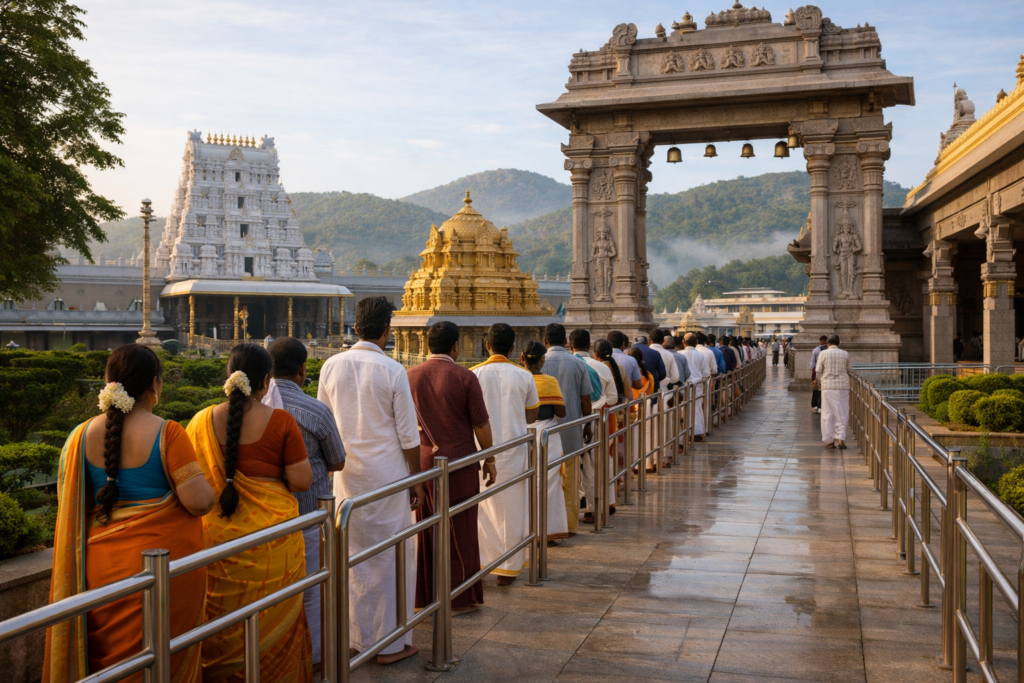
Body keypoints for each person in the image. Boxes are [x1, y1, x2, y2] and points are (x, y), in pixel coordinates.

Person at [45, 345, 215, 683]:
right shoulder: (168, 432)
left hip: (98, 572)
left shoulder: (77, 437)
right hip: (163, 572)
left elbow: (72, 512)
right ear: (156, 385)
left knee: (111, 668)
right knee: (164, 658)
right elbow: (199, 503)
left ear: (109, 382)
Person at [188, 343, 315, 682]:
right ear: (266, 382)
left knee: (220, 628)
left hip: (217, 545)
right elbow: (302, 481)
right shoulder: (281, 421)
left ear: (228, 378)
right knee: (276, 631)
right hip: (272, 545)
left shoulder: (200, 422)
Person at [317, 296, 424, 664]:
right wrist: (416, 479)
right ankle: (390, 643)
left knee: (352, 558)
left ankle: (355, 637)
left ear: (356, 326)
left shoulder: (331, 366)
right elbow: (410, 438)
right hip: (388, 478)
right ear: (386, 329)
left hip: (346, 479)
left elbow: (325, 425)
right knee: (391, 556)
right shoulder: (392, 370)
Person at [264, 337, 346, 672]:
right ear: (302, 370)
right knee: (311, 588)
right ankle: (312, 658)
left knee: (272, 591)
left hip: (263, 518)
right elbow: (338, 461)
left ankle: (271, 656)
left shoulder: (255, 411)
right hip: (308, 513)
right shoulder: (315, 410)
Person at [407, 321, 495, 615]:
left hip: (423, 464)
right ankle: (459, 598)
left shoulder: (409, 376)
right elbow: (480, 423)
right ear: (456, 346)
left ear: (426, 345)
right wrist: (490, 458)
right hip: (460, 461)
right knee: (461, 528)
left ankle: (428, 595)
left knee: (428, 528)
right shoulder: (464, 377)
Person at [471, 323, 539, 585]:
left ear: (486, 345)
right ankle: (507, 566)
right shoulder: (524, 375)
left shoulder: (473, 374)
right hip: (514, 448)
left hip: (481, 450)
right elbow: (531, 415)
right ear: (513, 348)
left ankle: (483, 561)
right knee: (512, 506)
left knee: (484, 508)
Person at [542, 323, 592, 535]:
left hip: (544, 434)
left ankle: (547, 526)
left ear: (545, 341)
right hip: (571, 431)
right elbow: (586, 399)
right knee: (571, 482)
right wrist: (588, 422)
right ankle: (570, 526)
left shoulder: (538, 364)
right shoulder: (578, 363)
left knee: (547, 481)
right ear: (566, 342)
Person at [520, 340, 569, 544]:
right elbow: (562, 412)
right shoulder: (549, 381)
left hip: (521, 433)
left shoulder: (519, 378)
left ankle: (526, 531)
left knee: (524, 482)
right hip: (547, 433)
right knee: (549, 482)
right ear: (542, 360)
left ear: (522, 358)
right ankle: (546, 531)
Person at [571, 331, 619, 523]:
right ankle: (603, 504)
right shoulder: (602, 367)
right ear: (589, 346)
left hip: (574, 421)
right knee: (601, 463)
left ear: (570, 344)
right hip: (598, 419)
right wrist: (597, 404)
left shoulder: (569, 364)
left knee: (583, 468)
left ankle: (587, 507)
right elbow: (614, 398)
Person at [816, 334, 852, 449]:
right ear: (839, 343)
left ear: (827, 344)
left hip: (827, 387)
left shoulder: (822, 353)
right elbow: (849, 370)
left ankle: (829, 441)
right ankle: (841, 439)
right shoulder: (845, 354)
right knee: (842, 413)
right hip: (842, 387)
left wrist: (817, 384)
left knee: (827, 414)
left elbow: (818, 371)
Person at [680, 333, 710, 442]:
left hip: (684, 384)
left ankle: (683, 432)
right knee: (696, 407)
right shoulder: (700, 355)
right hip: (697, 383)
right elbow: (706, 373)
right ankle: (696, 432)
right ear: (696, 343)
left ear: (684, 343)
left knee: (683, 408)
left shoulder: (680, 354)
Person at [810, 335, 828, 414]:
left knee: (817, 390)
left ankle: (816, 406)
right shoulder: (828, 350)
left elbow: (812, 363)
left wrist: (813, 375)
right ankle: (821, 406)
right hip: (826, 373)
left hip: (818, 373)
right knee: (824, 390)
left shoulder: (816, 350)